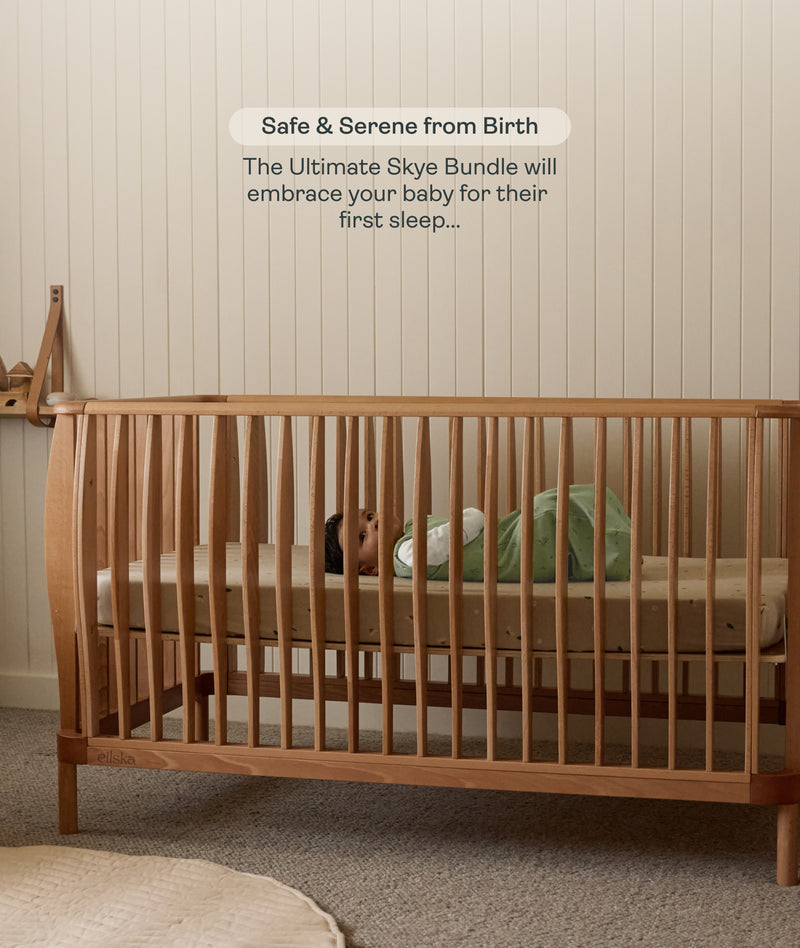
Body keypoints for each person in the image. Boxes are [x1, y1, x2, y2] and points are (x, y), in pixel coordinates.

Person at [324, 484, 631, 582]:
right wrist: (474, 515)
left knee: (559, 514)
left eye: (367, 515)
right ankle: (621, 553)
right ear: (369, 570)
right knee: (551, 509)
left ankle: (618, 554)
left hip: (506, 540)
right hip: (511, 547)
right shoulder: (405, 554)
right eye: (363, 536)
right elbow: (462, 529)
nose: (373, 522)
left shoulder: (408, 537)